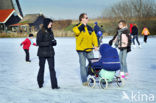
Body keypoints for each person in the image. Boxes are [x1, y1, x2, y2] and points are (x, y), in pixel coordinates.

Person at [73, 13, 98, 86]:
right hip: (81, 50)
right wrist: (82, 25)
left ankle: (86, 74)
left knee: (93, 64)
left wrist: (96, 45)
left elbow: (94, 37)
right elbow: (77, 32)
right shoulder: (77, 27)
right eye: (86, 18)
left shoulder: (90, 28)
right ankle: (84, 81)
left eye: (87, 17)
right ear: (82, 19)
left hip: (90, 49)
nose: (88, 19)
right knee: (82, 65)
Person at [36, 18, 60, 89]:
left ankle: (54, 86)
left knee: (52, 69)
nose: (51, 24)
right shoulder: (40, 32)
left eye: (51, 23)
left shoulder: (51, 31)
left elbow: (52, 40)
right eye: (50, 23)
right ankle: (40, 84)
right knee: (41, 69)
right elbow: (38, 43)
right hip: (42, 53)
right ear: (46, 23)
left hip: (50, 53)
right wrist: (49, 43)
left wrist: (54, 42)